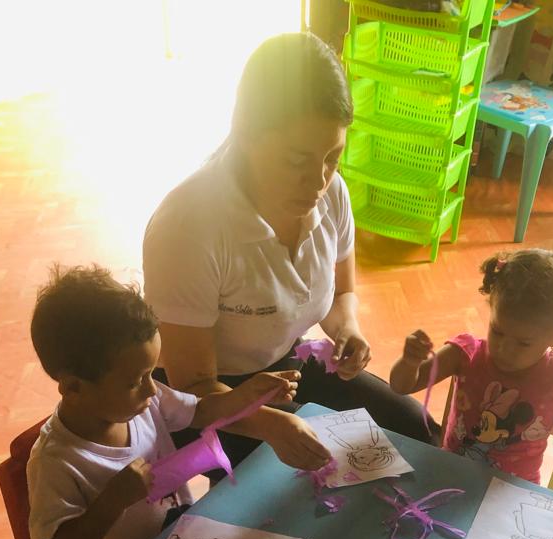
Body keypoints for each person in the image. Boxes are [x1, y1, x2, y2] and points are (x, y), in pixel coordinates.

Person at [142, 32, 435, 476]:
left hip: (288, 368)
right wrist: (271, 424)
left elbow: (341, 294)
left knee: (415, 428)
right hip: (211, 396)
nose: (318, 181)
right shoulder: (188, 226)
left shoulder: (332, 192)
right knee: (319, 474)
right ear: (247, 134)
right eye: (298, 160)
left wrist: (348, 330)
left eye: (333, 157)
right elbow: (192, 386)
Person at [27, 265, 299, 539]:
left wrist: (246, 395)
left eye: (150, 374)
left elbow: (201, 411)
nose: (152, 389)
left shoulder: (143, 402)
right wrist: (112, 502)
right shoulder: (54, 462)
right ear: (74, 388)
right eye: (136, 381)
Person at [389, 248, 553, 484]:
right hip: (452, 478)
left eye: (523, 343)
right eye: (497, 331)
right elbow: (401, 386)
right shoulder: (464, 355)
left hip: (511, 496)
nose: (504, 348)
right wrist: (410, 363)